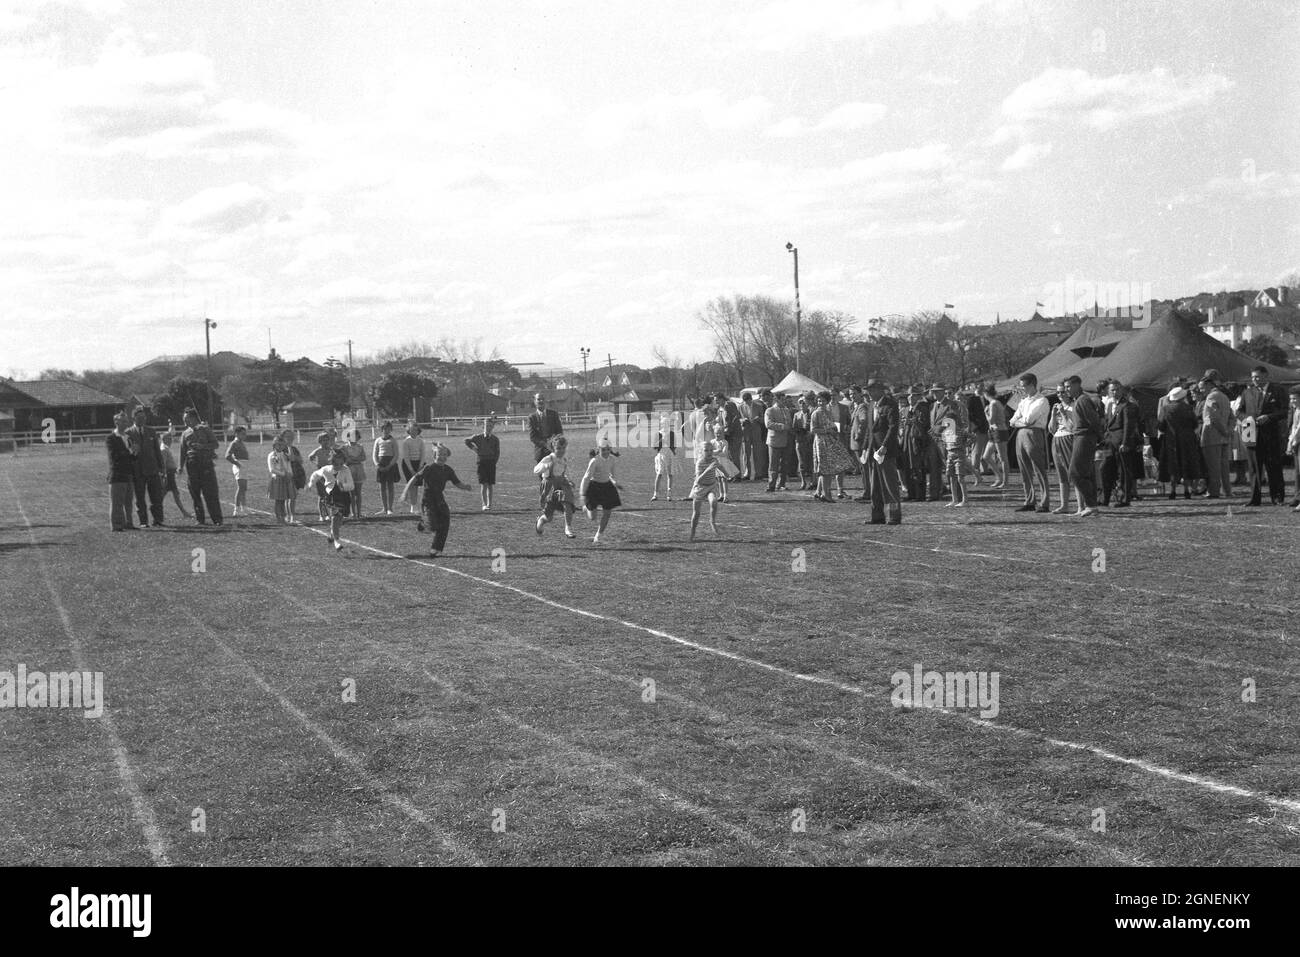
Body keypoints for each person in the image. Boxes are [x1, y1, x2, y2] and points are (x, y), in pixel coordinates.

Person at [411, 444, 472, 556]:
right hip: (428, 500)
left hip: (439, 499)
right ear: (434, 456)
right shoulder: (428, 468)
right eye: (440, 454)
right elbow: (415, 478)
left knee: (445, 521)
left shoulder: (448, 470)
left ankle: (436, 549)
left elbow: (457, 483)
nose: (442, 457)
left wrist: (465, 486)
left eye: (444, 455)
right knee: (433, 525)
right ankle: (423, 525)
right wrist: (406, 491)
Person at [1242, 366, 1289, 506]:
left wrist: (1269, 417)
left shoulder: (1278, 390)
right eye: (1252, 377)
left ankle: (1277, 497)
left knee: (1273, 466)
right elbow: (1239, 411)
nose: (1254, 380)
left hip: (1271, 435)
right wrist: (1247, 419)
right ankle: (1254, 499)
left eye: (1257, 377)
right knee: (1254, 468)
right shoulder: (1247, 392)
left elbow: (1285, 411)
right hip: (1251, 434)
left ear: (1266, 376)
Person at [860, 380, 902, 525]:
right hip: (873, 450)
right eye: (868, 390)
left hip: (885, 451)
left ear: (880, 390)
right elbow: (869, 430)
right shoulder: (872, 405)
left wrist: (884, 446)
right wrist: (865, 448)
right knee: (874, 485)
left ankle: (894, 516)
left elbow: (893, 427)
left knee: (890, 485)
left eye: (872, 390)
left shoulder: (890, 404)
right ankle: (877, 516)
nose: (869, 393)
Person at [1008, 373, 1051, 513]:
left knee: (1038, 468)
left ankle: (1044, 502)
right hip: (1022, 434)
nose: (1022, 389)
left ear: (1032, 384)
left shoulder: (1042, 400)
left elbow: (1028, 420)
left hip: (1034, 433)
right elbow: (1012, 420)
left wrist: (1017, 422)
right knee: (1024, 469)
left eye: (1024, 386)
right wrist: (1018, 422)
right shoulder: (1023, 401)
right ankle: (1029, 500)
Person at [688, 421, 737, 541]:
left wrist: (727, 475)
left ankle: (712, 521)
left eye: (711, 450)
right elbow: (698, 479)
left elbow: (720, 466)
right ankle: (692, 532)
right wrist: (708, 469)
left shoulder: (714, 459)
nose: (709, 453)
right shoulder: (700, 462)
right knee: (696, 514)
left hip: (710, 486)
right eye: (706, 451)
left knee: (714, 502)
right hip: (700, 488)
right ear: (701, 452)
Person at [1064, 376, 1104, 517]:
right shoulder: (1078, 401)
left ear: (1077, 385)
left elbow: (1094, 420)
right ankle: (1091, 505)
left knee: (1075, 473)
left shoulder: (1083, 400)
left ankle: (1091, 504)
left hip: (1084, 438)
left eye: (1069, 386)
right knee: (1086, 474)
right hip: (1080, 437)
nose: (1066, 389)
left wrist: (1098, 438)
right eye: (1066, 387)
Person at [177, 407, 223, 525]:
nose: (185, 421)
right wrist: (180, 466)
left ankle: (217, 519)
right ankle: (200, 519)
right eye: (184, 419)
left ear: (193, 418)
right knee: (195, 493)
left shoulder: (205, 429)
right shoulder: (185, 434)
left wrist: (202, 446)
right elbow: (182, 451)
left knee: (210, 493)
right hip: (192, 466)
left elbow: (215, 444)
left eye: (186, 419)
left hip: (205, 464)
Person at [1156, 386, 1201, 500]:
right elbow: (1195, 424)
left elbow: (1161, 425)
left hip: (1171, 440)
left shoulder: (1165, 409)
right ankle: (1186, 490)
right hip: (1187, 440)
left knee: (1173, 464)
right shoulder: (1188, 408)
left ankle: (1173, 491)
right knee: (1185, 463)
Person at [810, 391, 855, 502]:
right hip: (821, 441)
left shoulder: (828, 412)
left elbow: (833, 425)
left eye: (823, 401)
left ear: (827, 401)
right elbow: (813, 430)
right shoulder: (816, 413)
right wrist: (826, 430)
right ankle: (826, 494)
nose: (821, 403)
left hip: (831, 441)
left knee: (828, 467)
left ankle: (820, 492)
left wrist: (834, 429)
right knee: (826, 469)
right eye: (819, 400)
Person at [1101, 381, 1141, 507]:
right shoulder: (1109, 405)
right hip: (1110, 442)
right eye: (1112, 390)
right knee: (1105, 469)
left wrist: (1125, 443)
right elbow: (1108, 423)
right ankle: (1105, 498)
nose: (1114, 392)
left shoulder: (1127, 405)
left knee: (1124, 471)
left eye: (1117, 389)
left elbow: (1128, 426)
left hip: (1121, 442)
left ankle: (1125, 499)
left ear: (1122, 390)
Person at [308, 448, 355, 551]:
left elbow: (351, 485)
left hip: (343, 496)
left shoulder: (346, 469)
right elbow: (315, 474)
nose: (338, 466)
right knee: (334, 517)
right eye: (336, 464)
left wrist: (343, 486)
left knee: (339, 520)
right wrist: (311, 484)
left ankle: (332, 534)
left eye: (341, 464)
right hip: (332, 496)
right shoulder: (326, 469)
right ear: (331, 462)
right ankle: (337, 542)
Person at [126, 407, 165, 527]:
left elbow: (157, 450)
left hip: (152, 469)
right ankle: (143, 521)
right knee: (140, 498)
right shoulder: (129, 433)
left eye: (144, 417)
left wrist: (161, 467)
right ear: (134, 418)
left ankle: (158, 520)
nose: (143, 419)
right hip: (138, 471)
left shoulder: (151, 431)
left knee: (156, 497)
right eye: (140, 417)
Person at [534, 435, 576, 538]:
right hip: (549, 485)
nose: (561, 451)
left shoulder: (564, 460)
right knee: (549, 517)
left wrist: (569, 480)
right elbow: (535, 470)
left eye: (563, 448)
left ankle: (568, 528)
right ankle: (541, 520)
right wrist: (545, 466)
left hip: (562, 484)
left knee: (568, 503)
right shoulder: (549, 458)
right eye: (558, 448)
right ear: (553, 448)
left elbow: (562, 473)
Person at [580, 439, 622, 544]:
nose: (606, 452)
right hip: (594, 487)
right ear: (599, 449)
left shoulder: (612, 459)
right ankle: (586, 508)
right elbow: (586, 478)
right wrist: (582, 495)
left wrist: (616, 483)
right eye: (603, 450)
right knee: (592, 518)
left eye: (608, 449)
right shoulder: (594, 461)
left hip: (607, 487)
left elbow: (612, 475)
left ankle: (598, 536)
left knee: (607, 513)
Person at [933, 390, 970, 508]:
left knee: (960, 478)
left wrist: (964, 444)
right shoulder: (947, 432)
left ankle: (965, 499)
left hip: (959, 454)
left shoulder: (960, 430)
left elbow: (971, 437)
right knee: (951, 477)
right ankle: (954, 499)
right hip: (950, 454)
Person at [1199, 375, 1234, 499]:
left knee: (1213, 466)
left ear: (1209, 385)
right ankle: (1227, 490)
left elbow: (1213, 416)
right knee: (1224, 467)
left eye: (1202, 388)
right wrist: (1228, 430)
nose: (1201, 391)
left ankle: (1214, 491)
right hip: (1224, 437)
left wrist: (1223, 430)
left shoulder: (1211, 397)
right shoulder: (1224, 396)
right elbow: (1232, 417)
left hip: (1212, 436)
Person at [1047, 384, 1077, 514]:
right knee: (1061, 475)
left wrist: (1064, 414)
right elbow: (1051, 429)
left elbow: (1071, 427)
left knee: (1073, 474)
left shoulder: (1074, 406)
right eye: (1058, 393)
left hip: (1068, 439)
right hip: (1057, 439)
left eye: (1063, 392)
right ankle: (1064, 505)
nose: (1060, 395)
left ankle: (1081, 505)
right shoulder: (1056, 407)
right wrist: (1053, 415)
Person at [106, 411, 136, 531]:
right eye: (123, 421)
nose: (125, 423)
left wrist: (135, 453)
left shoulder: (128, 437)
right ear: (116, 422)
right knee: (117, 502)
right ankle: (117, 525)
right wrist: (129, 452)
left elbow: (132, 457)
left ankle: (128, 523)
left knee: (128, 502)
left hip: (128, 473)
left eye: (126, 421)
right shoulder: (111, 438)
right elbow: (115, 455)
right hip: (118, 474)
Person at [464, 416, 500, 511]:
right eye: (486, 426)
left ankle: (490, 504)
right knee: (483, 484)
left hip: (491, 463)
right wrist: (474, 449)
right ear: (483, 427)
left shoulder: (495, 439)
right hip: (481, 462)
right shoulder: (478, 437)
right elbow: (466, 441)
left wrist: (494, 462)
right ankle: (484, 504)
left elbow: (497, 453)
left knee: (490, 484)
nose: (488, 428)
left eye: (490, 426)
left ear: (493, 427)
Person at [527, 393, 564, 486]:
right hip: (540, 452)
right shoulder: (532, 418)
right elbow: (533, 437)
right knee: (543, 481)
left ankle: (556, 498)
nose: (541, 401)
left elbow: (559, 432)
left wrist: (554, 444)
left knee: (556, 477)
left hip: (554, 451)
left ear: (546, 401)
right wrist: (545, 444)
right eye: (538, 399)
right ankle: (545, 498)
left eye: (542, 399)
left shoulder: (554, 414)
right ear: (535, 402)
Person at [158, 428, 193, 520]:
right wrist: (164, 476)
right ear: (164, 439)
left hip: (170, 474)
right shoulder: (163, 449)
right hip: (168, 475)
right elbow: (163, 464)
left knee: (170, 494)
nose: (171, 440)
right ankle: (157, 511)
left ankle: (157, 510)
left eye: (171, 438)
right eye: (168, 438)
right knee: (171, 494)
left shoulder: (165, 448)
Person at [982, 384, 1009, 489]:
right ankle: (999, 478)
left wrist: (985, 413)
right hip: (994, 431)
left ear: (985, 394)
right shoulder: (995, 403)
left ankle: (1005, 482)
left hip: (999, 431)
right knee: (986, 456)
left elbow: (991, 420)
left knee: (1003, 458)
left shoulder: (993, 404)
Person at [764, 391, 792, 492]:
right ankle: (771, 485)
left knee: (784, 464)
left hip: (785, 440)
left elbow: (789, 422)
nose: (784, 401)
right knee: (773, 464)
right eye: (782, 399)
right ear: (777, 399)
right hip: (774, 441)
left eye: (785, 399)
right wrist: (782, 426)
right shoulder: (770, 410)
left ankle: (781, 484)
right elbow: (768, 424)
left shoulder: (786, 410)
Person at [373, 421, 401, 515]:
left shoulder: (393, 440)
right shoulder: (378, 440)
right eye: (384, 428)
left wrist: (390, 465)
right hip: (381, 466)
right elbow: (375, 454)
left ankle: (390, 508)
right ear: (382, 429)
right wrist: (377, 464)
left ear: (391, 429)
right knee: (382, 488)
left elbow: (396, 455)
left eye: (388, 428)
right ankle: (384, 508)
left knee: (390, 487)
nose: (386, 430)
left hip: (390, 466)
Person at [266, 435, 296, 525]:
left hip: (286, 479)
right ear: (274, 445)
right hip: (278, 479)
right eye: (278, 445)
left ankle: (283, 517)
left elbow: (290, 462)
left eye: (282, 445)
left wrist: (290, 474)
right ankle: (279, 518)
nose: (280, 447)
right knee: (278, 500)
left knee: (283, 499)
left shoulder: (284, 454)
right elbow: (272, 469)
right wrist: (283, 474)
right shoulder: (271, 455)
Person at [307, 431, 334, 521]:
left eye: (327, 440)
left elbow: (335, 457)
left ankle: (328, 513)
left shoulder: (331, 450)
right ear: (320, 441)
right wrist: (316, 464)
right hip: (320, 473)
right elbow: (310, 457)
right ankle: (321, 515)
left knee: (329, 494)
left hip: (329, 473)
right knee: (321, 495)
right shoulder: (318, 450)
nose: (326, 442)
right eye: (323, 440)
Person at [341, 429, 367, 519]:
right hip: (349, 471)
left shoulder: (360, 447)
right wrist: (355, 459)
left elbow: (363, 457)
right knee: (351, 493)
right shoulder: (344, 447)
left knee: (358, 493)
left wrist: (353, 459)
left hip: (359, 470)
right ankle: (353, 513)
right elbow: (346, 459)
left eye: (355, 436)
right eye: (351, 436)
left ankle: (359, 512)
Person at [225, 425, 251, 517]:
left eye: (245, 434)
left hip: (244, 465)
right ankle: (236, 509)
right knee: (240, 488)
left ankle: (244, 508)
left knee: (244, 488)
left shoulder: (241, 442)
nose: (244, 436)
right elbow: (227, 456)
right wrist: (237, 464)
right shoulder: (234, 443)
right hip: (240, 465)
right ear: (237, 434)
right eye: (242, 434)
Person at [400, 423, 425, 514]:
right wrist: (411, 470)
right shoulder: (406, 441)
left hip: (419, 464)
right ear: (409, 430)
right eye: (412, 430)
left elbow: (423, 454)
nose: (414, 431)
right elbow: (406, 457)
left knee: (417, 486)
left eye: (415, 430)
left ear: (418, 431)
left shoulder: (421, 441)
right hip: (408, 465)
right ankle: (412, 507)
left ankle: (415, 506)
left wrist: (420, 466)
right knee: (411, 486)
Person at [791, 394, 815, 490]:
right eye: (800, 403)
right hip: (800, 441)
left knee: (812, 462)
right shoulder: (796, 415)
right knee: (801, 463)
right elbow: (793, 428)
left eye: (804, 403)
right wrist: (798, 430)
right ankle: (803, 482)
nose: (802, 405)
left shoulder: (812, 413)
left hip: (811, 441)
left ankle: (813, 481)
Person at [651, 428, 677, 501]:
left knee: (670, 474)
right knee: (659, 474)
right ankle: (655, 494)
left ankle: (669, 494)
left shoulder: (672, 433)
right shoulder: (658, 434)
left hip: (670, 455)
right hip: (661, 455)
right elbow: (654, 447)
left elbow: (674, 446)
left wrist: (668, 441)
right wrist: (662, 440)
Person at [1286, 386, 1300, 510]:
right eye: (1291, 399)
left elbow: (1298, 429)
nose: (1292, 401)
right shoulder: (1296, 410)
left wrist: (1292, 441)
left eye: (1295, 399)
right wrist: (1290, 441)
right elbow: (1294, 428)